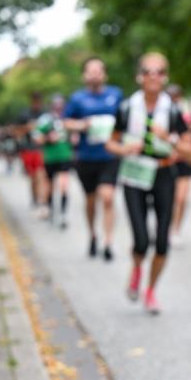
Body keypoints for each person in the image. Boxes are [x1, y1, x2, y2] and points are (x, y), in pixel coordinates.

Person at [107, 53, 191, 314]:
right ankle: (136, 270)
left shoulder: (175, 111)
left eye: (159, 72)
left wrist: (169, 138)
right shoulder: (126, 107)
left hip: (163, 173)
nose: (153, 76)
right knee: (142, 240)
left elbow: (190, 152)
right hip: (134, 174)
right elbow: (110, 142)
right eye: (148, 71)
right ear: (139, 76)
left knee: (163, 241)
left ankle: (151, 291)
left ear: (165, 77)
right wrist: (123, 150)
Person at [64, 57, 124, 261]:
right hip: (86, 157)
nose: (95, 74)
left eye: (99, 70)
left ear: (105, 74)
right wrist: (82, 125)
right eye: (91, 71)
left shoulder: (116, 95)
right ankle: (92, 235)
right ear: (84, 75)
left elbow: (124, 121)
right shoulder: (77, 98)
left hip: (110, 155)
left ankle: (108, 242)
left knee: (108, 197)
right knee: (91, 200)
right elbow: (66, 122)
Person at [33, 94, 73, 229]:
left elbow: (76, 133)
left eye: (61, 105)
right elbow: (36, 137)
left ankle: (62, 214)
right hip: (50, 157)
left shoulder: (68, 119)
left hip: (64, 156)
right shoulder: (46, 120)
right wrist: (48, 138)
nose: (58, 108)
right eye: (56, 105)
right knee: (49, 185)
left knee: (63, 185)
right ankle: (49, 208)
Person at [168, 83, 191, 247]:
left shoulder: (187, 118)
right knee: (167, 199)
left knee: (181, 198)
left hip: (182, 162)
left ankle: (176, 230)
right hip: (165, 162)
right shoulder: (161, 115)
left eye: (175, 98)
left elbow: (190, 140)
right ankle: (165, 227)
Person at [16, 92, 47, 211]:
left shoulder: (45, 115)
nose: (37, 104)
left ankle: (42, 200)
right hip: (28, 149)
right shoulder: (24, 114)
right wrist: (27, 128)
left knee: (41, 175)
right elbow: (16, 131)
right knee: (33, 177)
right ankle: (34, 198)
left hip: (41, 149)